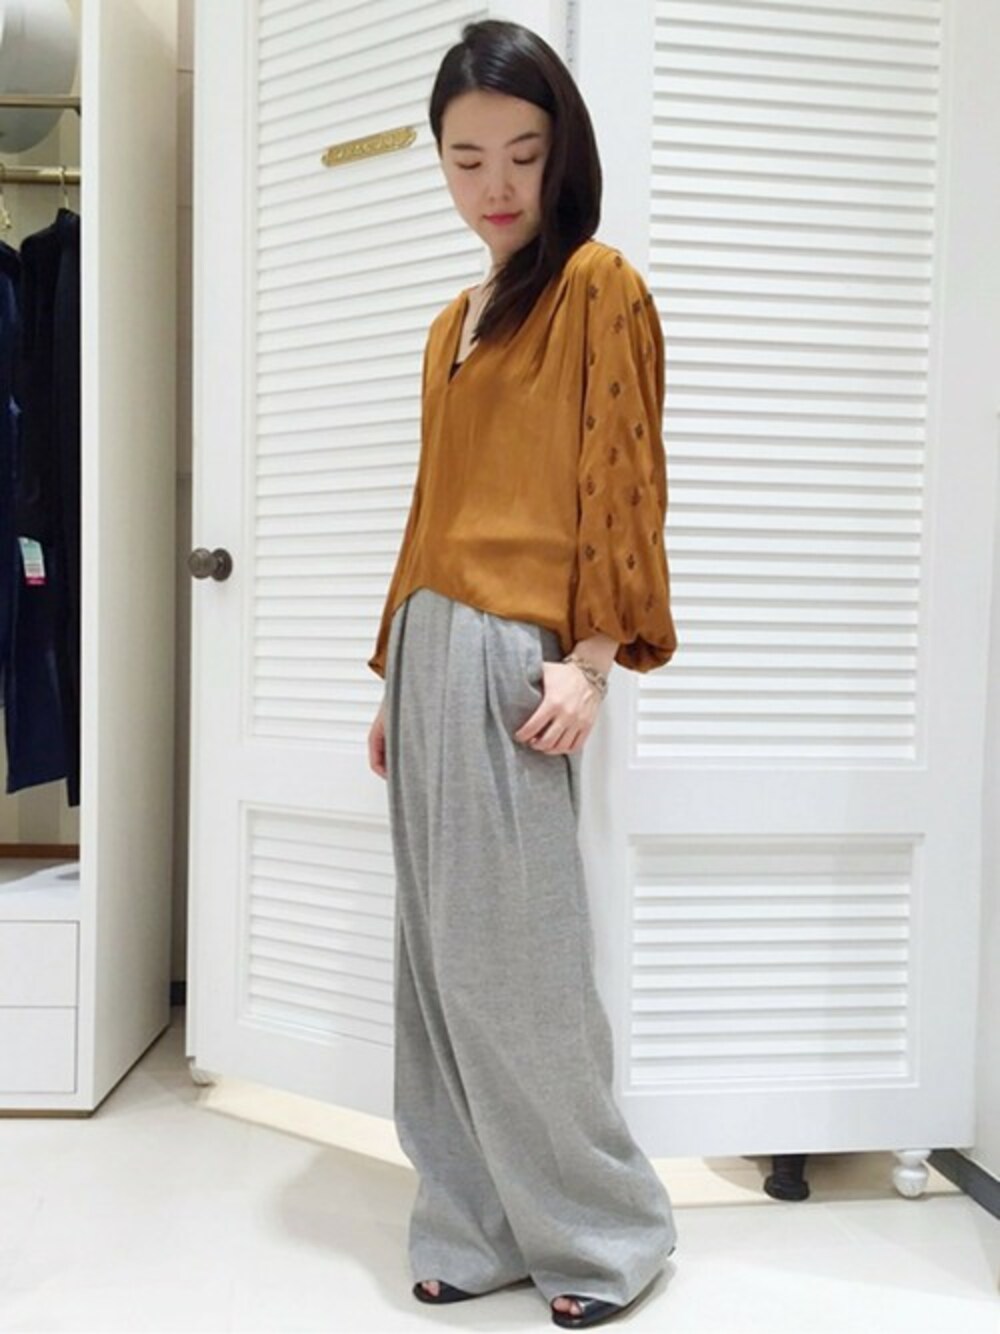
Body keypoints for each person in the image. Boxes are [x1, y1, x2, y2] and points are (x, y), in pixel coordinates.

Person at [366, 19, 679, 1330]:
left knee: (523, 966)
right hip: (430, 647)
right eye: (466, 158)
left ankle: (606, 1233)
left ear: (565, 154)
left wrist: (592, 659)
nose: (495, 184)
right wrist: (389, 673)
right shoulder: (455, 319)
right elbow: (431, 505)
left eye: (523, 153)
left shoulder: (599, 286)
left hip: (516, 654)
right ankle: (474, 1221)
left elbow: (623, 479)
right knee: (438, 966)